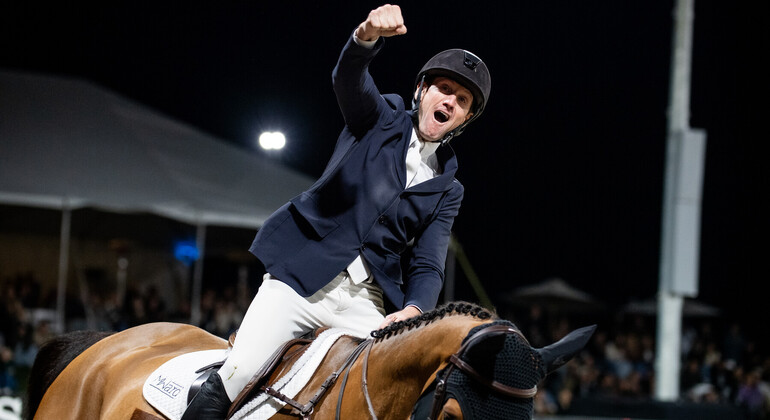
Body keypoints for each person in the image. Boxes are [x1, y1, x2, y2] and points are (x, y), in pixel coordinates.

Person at [182, 4, 491, 419]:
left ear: (466, 117)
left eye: (462, 99)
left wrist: (415, 309)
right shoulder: (379, 118)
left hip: (367, 303)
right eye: (443, 89)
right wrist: (365, 38)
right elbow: (348, 80)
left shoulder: (449, 189)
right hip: (302, 282)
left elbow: (428, 263)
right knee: (238, 372)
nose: (449, 101)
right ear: (421, 90)